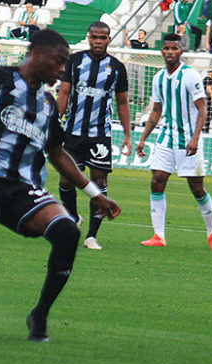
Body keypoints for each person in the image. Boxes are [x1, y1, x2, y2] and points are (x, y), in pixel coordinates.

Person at [0, 29, 121, 341]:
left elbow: (57, 153)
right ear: (38, 54)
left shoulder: (48, 105)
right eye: (59, 61)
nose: (62, 69)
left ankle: (39, 315)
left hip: (22, 188)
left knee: (68, 231)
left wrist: (95, 195)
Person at [136, 33, 212, 252]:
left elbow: (202, 109)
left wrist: (196, 137)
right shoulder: (158, 78)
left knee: (197, 188)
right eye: (166, 48)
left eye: (174, 48)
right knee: (157, 180)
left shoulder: (190, 75)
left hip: (188, 139)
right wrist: (143, 138)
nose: (169, 52)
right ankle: (159, 235)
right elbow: (156, 111)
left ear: (180, 52)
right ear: (162, 51)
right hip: (166, 136)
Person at [56, 21, 132, 251]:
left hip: (100, 135)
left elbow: (122, 102)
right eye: (95, 37)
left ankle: (91, 236)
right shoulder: (75, 61)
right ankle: (72, 216)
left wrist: (128, 134)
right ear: (89, 37)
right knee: (65, 179)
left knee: (99, 183)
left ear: (109, 39)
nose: (98, 41)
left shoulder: (117, 67)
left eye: (103, 38)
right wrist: (54, 122)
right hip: (73, 132)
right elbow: (65, 92)